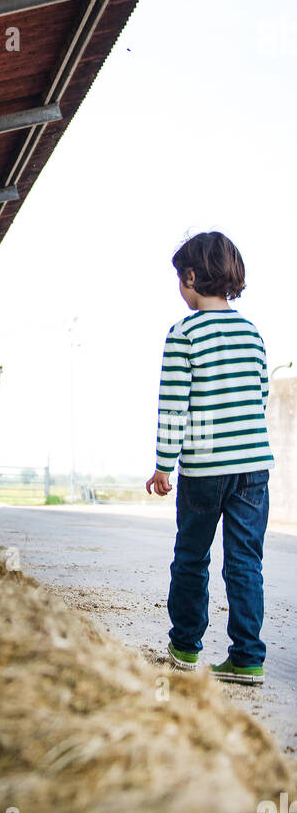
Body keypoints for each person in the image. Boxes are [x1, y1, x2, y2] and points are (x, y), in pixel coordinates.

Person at [146, 231, 272, 684]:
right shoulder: (252, 332)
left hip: (204, 469)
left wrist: (164, 464)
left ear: (192, 277)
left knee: (192, 557)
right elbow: (261, 393)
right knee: (245, 561)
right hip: (254, 467)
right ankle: (248, 657)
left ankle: (184, 647)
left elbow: (174, 405)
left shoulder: (184, 334)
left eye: (181, 279)